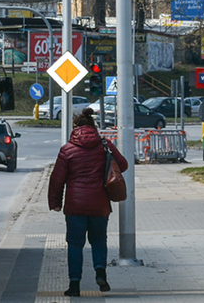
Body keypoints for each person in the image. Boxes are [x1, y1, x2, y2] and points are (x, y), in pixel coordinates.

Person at [48, 108, 128, 296]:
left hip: (75, 206)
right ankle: (100, 273)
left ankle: (74, 285)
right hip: (99, 203)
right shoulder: (105, 145)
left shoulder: (67, 150)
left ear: (75, 128)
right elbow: (123, 165)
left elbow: (57, 179)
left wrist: (55, 202)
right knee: (99, 240)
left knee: (75, 244)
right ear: (93, 126)